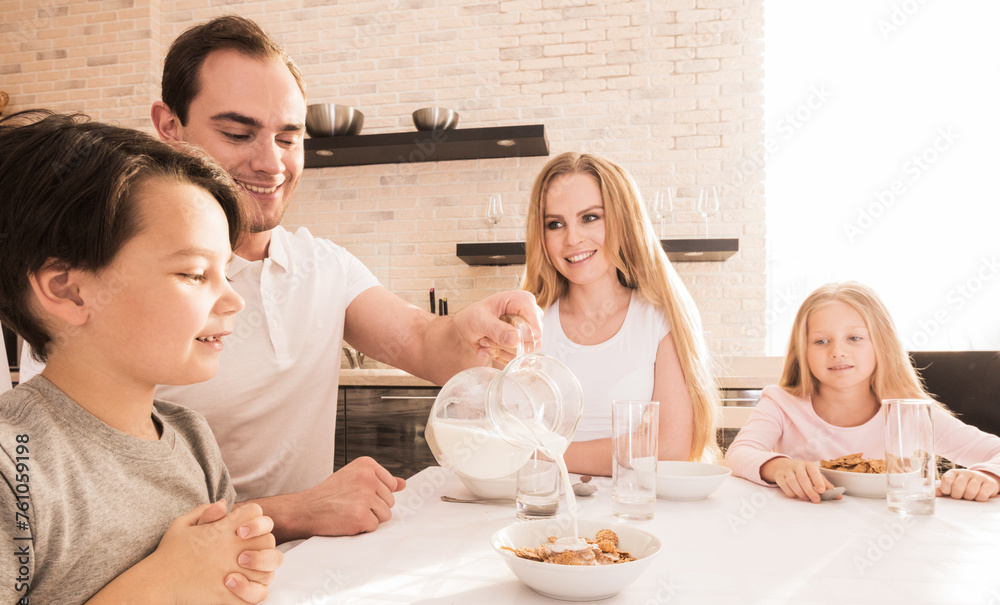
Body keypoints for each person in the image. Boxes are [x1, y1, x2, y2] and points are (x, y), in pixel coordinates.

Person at [146, 16, 539, 541]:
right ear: (170, 128)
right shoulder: (125, 279)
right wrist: (293, 512)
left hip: (291, 584)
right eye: (238, 133)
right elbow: (94, 508)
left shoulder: (322, 267)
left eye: (289, 138)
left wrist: (474, 331)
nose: (272, 163)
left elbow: (423, 340)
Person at [0, 111, 283, 605]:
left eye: (227, 271)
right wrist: (160, 585)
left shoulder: (190, 438)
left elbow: (215, 584)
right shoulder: (14, 466)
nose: (233, 300)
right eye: (194, 274)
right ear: (70, 290)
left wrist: (236, 574)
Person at [520, 152, 719, 477]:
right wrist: (632, 447)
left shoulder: (660, 318)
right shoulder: (528, 325)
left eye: (590, 218)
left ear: (622, 220)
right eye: (555, 224)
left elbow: (670, 449)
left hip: (635, 512)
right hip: (545, 515)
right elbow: (503, 442)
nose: (572, 239)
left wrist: (545, 454)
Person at [725, 282, 1000, 503]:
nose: (838, 351)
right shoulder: (781, 403)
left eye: (854, 338)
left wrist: (988, 476)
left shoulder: (910, 412)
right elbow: (739, 453)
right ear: (803, 352)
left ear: (881, 345)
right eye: (821, 341)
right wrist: (778, 467)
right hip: (805, 533)